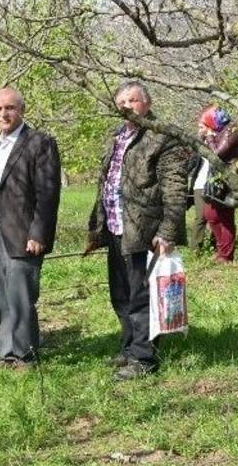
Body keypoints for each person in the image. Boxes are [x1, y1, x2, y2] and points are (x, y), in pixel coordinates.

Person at [86, 81, 190, 381]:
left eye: (133, 100)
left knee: (141, 297)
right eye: (121, 102)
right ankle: (130, 346)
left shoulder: (163, 137)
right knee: (120, 294)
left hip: (144, 230)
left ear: (147, 103)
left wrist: (167, 231)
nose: (127, 106)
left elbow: (174, 188)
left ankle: (144, 359)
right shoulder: (117, 136)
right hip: (115, 227)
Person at [0, 88, 61, 369]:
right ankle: (7, 353)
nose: (4, 114)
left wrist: (38, 233)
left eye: (10, 108)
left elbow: (47, 193)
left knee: (21, 298)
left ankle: (25, 355)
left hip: (22, 233)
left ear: (22, 110)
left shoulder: (39, 142)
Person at [197, 105, 238, 263]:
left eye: (203, 125)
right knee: (210, 215)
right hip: (216, 179)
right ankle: (221, 249)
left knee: (225, 216)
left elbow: (217, 154)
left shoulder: (233, 130)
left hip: (229, 179)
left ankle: (226, 255)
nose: (202, 129)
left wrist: (209, 137)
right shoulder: (217, 132)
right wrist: (204, 137)